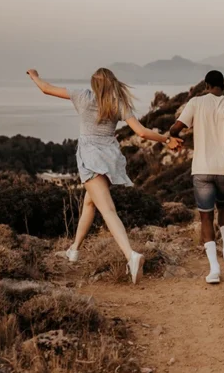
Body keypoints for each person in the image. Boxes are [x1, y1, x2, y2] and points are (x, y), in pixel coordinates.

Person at [27, 67, 182, 284]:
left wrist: (34, 76)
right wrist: (165, 139)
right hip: (110, 159)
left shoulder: (82, 96)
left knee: (107, 210)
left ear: (94, 85)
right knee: (90, 204)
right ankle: (74, 250)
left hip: (91, 159)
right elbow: (142, 132)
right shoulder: (118, 103)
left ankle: (131, 255)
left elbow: (46, 89)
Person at [169, 70, 224, 284]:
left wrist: (174, 138)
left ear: (206, 85)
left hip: (202, 169)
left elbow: (175, 128)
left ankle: (214, 269)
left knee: (205, 217)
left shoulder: (195, 102)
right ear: (223, 86)